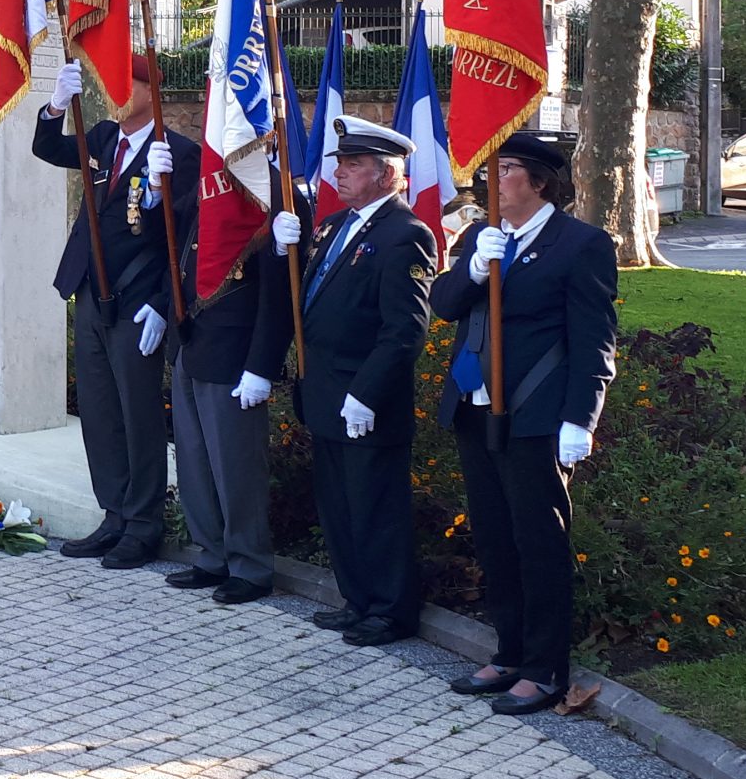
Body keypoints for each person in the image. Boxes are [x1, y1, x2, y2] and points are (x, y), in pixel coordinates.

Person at [428, 133, 619, 714]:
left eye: (506, 168)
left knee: (538, 542)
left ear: (539, 181)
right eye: (492, 167)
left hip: (536, 414)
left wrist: (580, 418)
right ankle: (509, 651)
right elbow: (444, 305)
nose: (493, 179)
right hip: (476, 406)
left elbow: (595, 337)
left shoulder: (579, 244)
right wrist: (472, 267)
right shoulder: (482, 237)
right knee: (494, 537)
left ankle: (545, 667)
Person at [31, 53, 201, 570]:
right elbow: (48, 148)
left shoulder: (179, 152)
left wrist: (163, 305)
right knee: (100, 412)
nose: (116, 93)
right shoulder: (104, 138)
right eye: (112, 84)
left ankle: (144, 523)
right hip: (91, 292)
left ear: (153, 92)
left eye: (128, 85)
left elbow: (185, 237)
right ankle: (114, 513)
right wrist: (55, 107)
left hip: (138, 301)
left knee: (138, 414)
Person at [285, 115, 435, 647]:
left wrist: (366, 393)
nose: (339, 174)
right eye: (340, 164)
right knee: (340, 507)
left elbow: (405, 330)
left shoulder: (405, 234)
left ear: (387, 174)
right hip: (325, 391)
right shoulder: (334, 225)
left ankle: (390, 612)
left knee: (376, 508)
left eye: (353, 165)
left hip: (365, 400)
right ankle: (358, 599)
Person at [164, 150, 292, 605]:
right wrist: (159, 183)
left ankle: (249, 565)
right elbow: (178, 238)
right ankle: (212, 552)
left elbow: (279, 294)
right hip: (193, 339)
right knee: (195, 462)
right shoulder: (212, 178)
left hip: (236, 353)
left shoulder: (276, 190)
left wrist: (262, 365)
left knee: (235, 466)